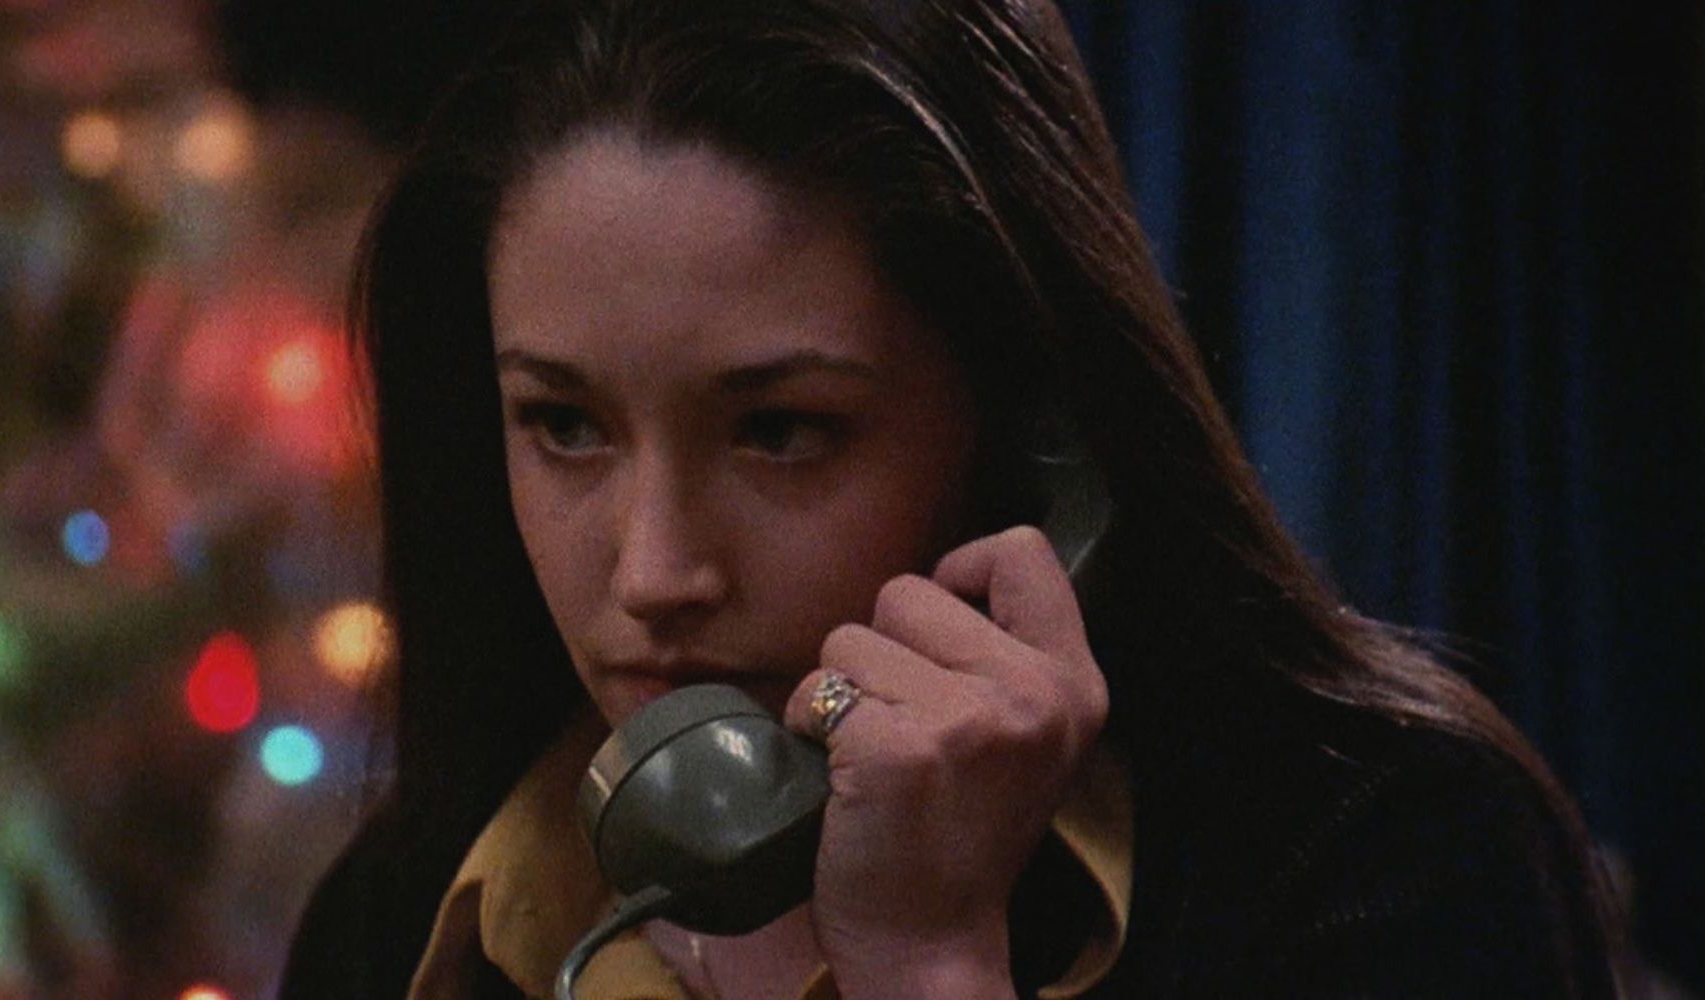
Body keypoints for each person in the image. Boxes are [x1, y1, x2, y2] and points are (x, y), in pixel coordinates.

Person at [282, 0, 1623, 995]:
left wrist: (928, 964)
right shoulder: (409, 917)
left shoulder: (1387, 864)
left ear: (1037, 445)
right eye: (564, 426)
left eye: (781, 432)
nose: (653, 571)